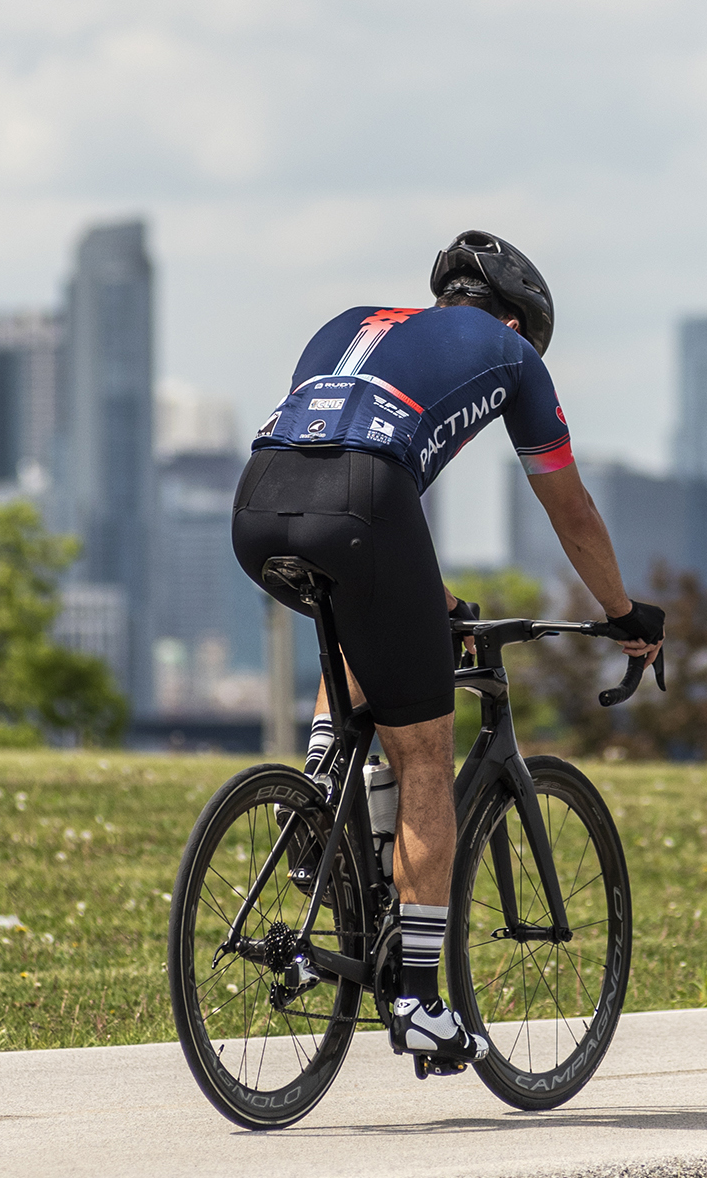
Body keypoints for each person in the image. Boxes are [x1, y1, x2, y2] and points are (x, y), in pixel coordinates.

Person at [231, 230, 664, 1068]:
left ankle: (317, 790)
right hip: (363, 504)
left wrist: (440, 606)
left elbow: (338, 471)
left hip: (258, 503)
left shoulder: (351, 324)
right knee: (426, 754)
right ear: (517, 318)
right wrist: (623, 612)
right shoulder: (509, 352)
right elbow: (570, 510)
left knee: (352, 612)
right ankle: (423, 1001)